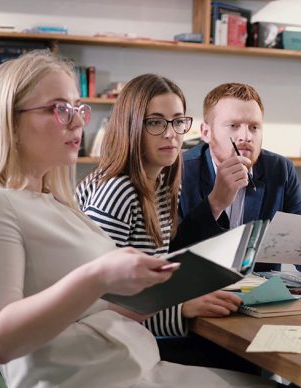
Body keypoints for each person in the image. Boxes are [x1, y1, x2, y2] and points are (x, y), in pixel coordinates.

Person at [0, 51, 271, 387]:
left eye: (77, 108)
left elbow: (100, 306)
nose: (77, 122)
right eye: (58, 109)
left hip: (131, 365)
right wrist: (100, 276)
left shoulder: (56, 203)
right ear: (8, 121)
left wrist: (171, 291)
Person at [76, 74, 244, 341]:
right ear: (130, 126)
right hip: (104, 349)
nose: (170, 133)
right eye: (155, 122)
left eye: (178, 122)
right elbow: (92, 303)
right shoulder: (118, 190)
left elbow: (145, 287)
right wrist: (181, 309)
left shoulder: (165, 186)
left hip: (135, 340)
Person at [172, 82, 301, 280]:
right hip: (195, 292)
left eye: (254, 127)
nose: (245, 136)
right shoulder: (178, 171)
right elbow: (173, 254)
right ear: (206, 132)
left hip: (259, 298)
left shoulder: (280, 170)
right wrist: (215, 203)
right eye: (233, 126)